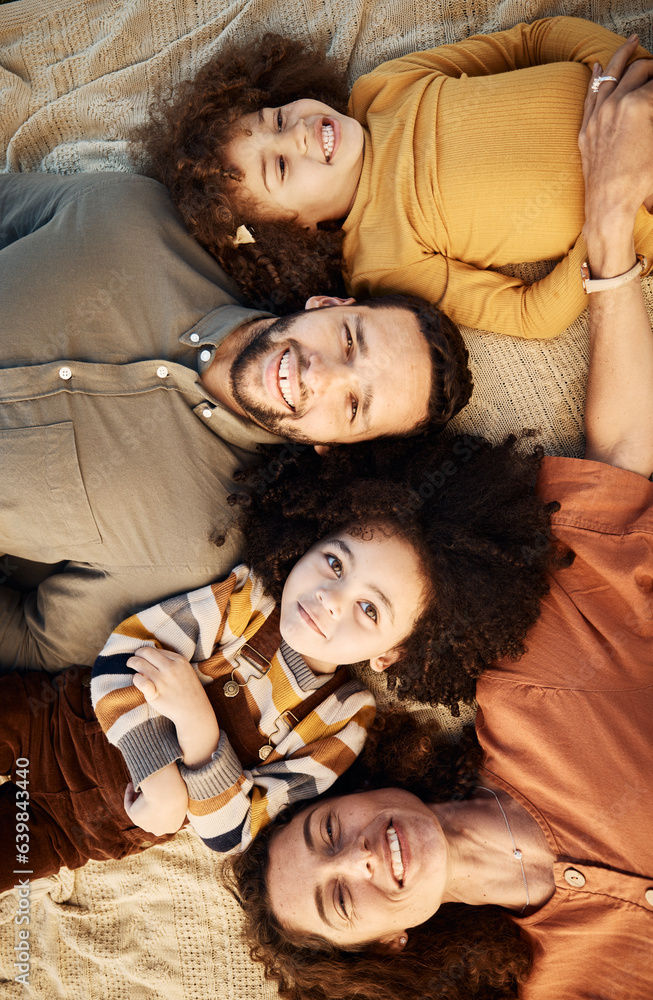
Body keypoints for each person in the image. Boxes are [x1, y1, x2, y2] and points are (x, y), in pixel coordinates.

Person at [225, 51, 653, 1000]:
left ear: (357, 788)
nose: (361, 859)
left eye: (328, 833)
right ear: (382, 947)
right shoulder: (541, 983)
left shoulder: (524, 668)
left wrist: (609, 223)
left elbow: (616, 468)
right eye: (343, 901)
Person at [0, 419, 552, 891]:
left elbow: (232, 831)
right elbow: (123, 655)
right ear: (313, 539)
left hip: (81, 830)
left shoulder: (343, 721)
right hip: (46, 724)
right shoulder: (245, 601)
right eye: (335, 563)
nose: (330, 602)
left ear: (394, 654)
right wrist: (165, 777)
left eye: (369, 611)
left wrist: (200, 728)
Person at [0, 171, 471, 674]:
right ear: (328, 305)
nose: (323, 374)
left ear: (335, 446)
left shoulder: (194, 546)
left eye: (354, 406)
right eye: (349, 341)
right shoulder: (131, 212)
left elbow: (35, 643)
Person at [137, 18, 653, 338]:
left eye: (274, 117)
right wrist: (616, 213)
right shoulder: (384, 259)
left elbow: (530, 42)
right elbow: (529, 316)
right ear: (298, 230)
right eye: (280, 167)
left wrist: (617, 70)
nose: (294, 133)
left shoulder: (383, 87)